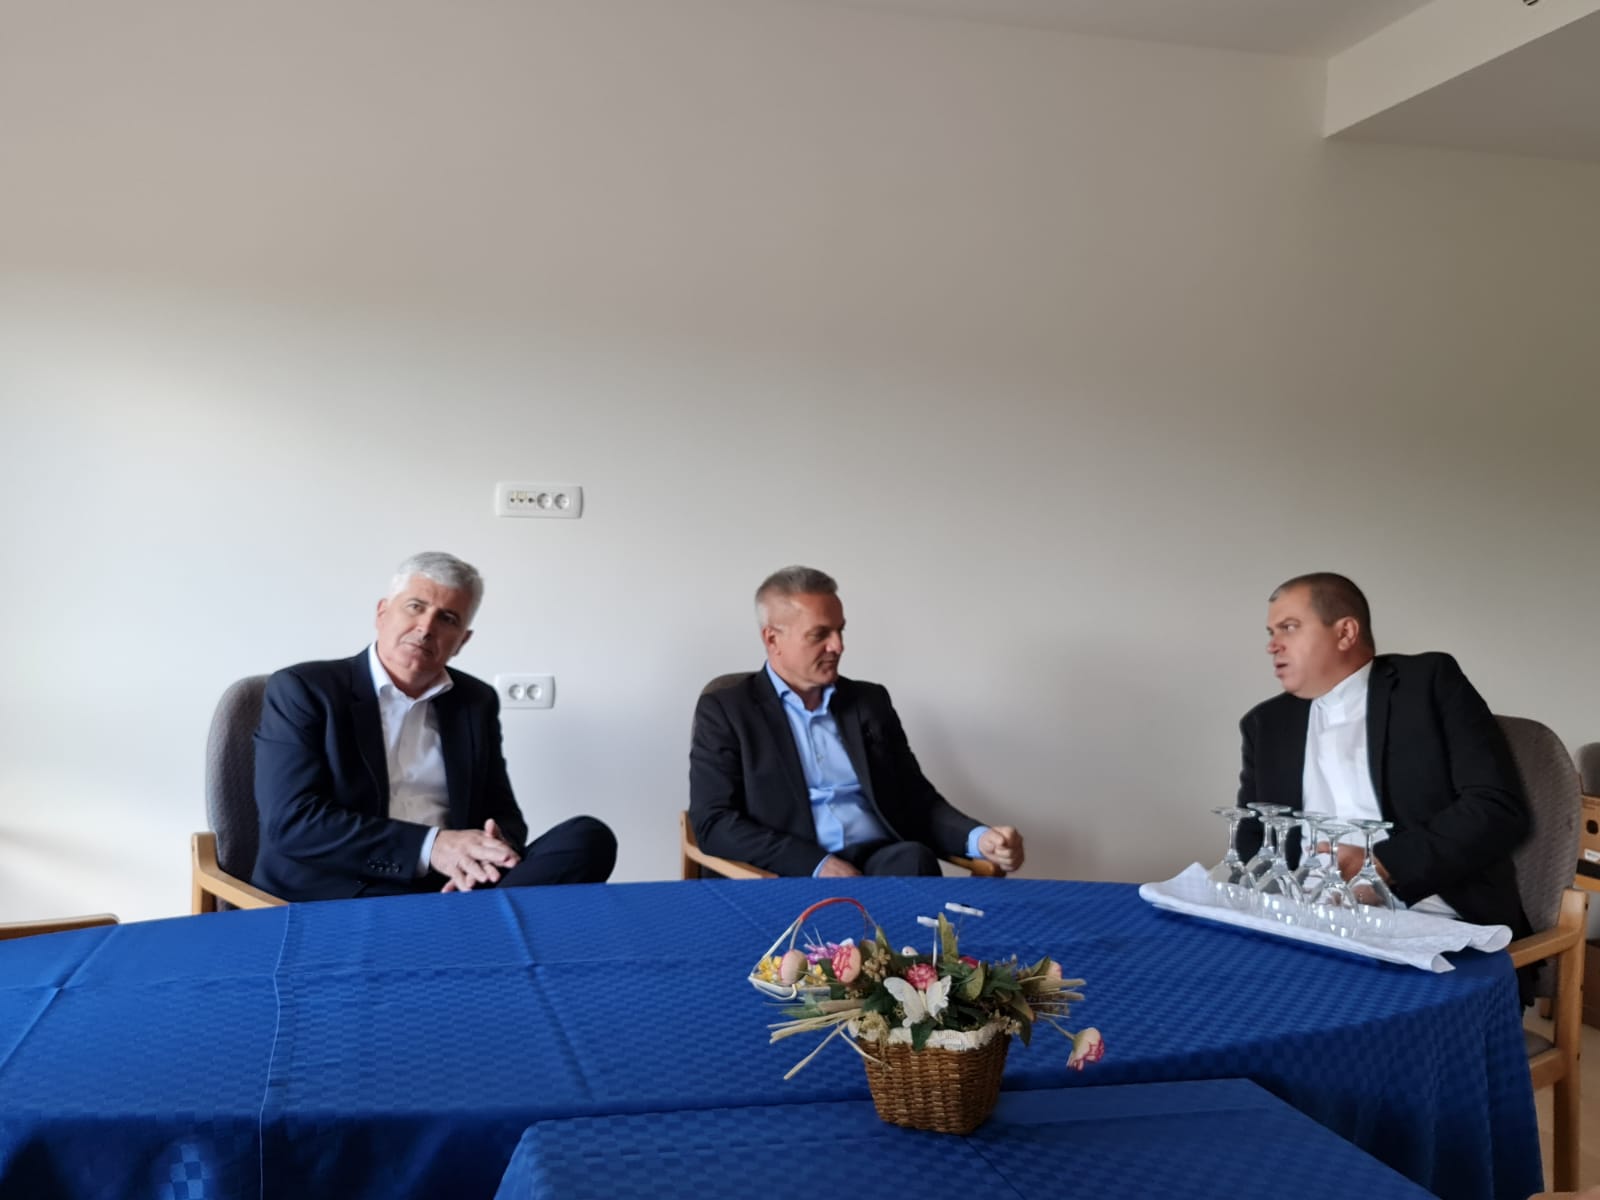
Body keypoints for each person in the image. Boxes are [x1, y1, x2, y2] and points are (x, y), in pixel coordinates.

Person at [252, 551, 615, 901]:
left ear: (462, 641)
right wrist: (433, 847)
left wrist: (491, 847)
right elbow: (293, 821)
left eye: (448, 619)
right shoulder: (305, 689)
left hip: (451, 886)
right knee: (503, 911)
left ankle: (464, 926)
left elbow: (504, 812)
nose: (426, 628)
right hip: (350, 884)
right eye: (415, 607)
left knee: (588, 837)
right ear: (382, 613)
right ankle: (473, 928)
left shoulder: (475, 701)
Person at [1236, 572, 1530, 933]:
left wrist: (1385, 866)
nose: (1273, 645)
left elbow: (1497, 808)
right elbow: (1252, 835)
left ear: (1345, 633)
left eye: (1289, 628)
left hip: (1430, 915)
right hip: (1304, 919)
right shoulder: (1266, 723)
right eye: (1272, 632)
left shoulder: (1427, 684)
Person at [689, 565, 1023, 878]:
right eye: (820, 634)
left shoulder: (869, 702)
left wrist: (981, 839)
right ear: (772, 639)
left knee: (914, 859)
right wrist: (816, 865)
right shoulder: (726, 710)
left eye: (840, 630)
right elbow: (714, 822)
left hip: (878, 862)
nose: (838, 646)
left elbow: (916, 800)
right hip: (786, 872)